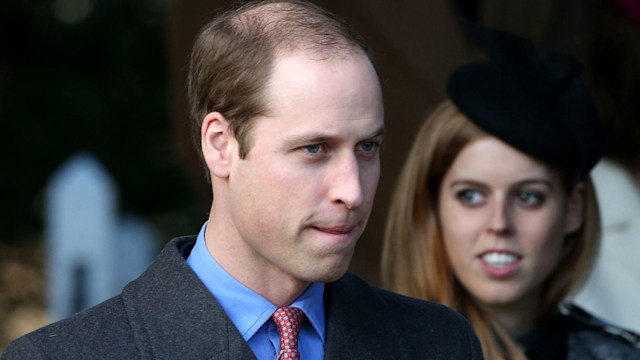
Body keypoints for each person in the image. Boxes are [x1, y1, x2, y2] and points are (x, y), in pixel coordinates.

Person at [1, 1, 483, 359]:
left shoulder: (440, 343)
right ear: (220, 144)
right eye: (313, 149)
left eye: (367, 147)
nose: (353, 191)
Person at [381, 38, 640, 359]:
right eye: (471, 195)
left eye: (528, 196)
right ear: (432, 205)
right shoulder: (360, 347)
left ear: (573, 209)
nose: (499, 224)